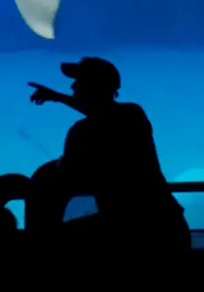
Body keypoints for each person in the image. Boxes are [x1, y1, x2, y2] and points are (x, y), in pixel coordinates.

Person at [26, 56, 190, 257]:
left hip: (123, 233)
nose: (73, 85)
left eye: (80, 82)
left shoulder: (82, 132)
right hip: (168, 227)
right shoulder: (134, 115)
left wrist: (58, 166)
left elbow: (69, 178)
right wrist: (59, 97)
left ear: (92, 88)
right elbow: (103, 110)